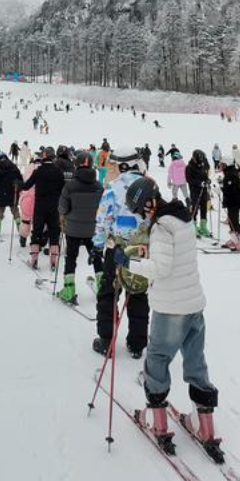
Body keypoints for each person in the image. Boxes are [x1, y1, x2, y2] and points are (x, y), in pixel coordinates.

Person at [118, 177, 221, 457]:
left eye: (141, 209)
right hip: (193, 305)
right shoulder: (181, 217)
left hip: (171, 308)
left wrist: (128, 262)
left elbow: (161, 269)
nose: (142, 215)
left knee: (157, 360)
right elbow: (175, 258)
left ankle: (158, 421)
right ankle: (205, 426)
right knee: (195, 362)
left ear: (149, 202)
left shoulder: (162, 227)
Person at [92, 149, 150, 358]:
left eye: (115, 165)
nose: (113, 169)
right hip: (141, 250)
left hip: (116, 249)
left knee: (108, 294)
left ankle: (106, 340)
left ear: (123, 165)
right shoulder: (149, 187)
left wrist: (97, 245)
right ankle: (137, 343)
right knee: (138, 294)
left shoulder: (113, 188)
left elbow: (103, 220)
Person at [58, 150, 104, 305]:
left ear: (76, 165)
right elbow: (103, 208)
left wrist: (65, 215)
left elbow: (62, 208)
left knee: (71, 258)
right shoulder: (98, 186)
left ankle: (69, 289)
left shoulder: (70, 186)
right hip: (93, 229)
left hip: (73, 228)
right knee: (97, 258)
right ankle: (102, 286)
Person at [23, 148, 66, 270]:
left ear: (45, 156)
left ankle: (34, 260)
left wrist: (17, 184)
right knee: (54, 232)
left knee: (37, 231)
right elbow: (64, 190)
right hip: (54, 207)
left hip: (40, 207)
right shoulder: (58, 172)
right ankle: (53, 261)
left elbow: (26, 186)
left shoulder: (38, 171)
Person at [0, 153, 23, 238]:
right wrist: (19, 187)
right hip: (13, 190)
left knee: (0, 209)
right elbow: (20, 178)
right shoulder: (13, 165)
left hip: (2, 191)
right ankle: (19, 225)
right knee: (15, 209)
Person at [219, 163, 240, 250]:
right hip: (232, 202)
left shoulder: (230, 175)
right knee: (231, 222)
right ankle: (235, 240)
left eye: (222, 165)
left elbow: (232, 190)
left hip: (234, 202)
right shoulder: (230, 173)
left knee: (234, 222)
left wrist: (222, 188)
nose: (220, 167)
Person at [185, 149, 212, 238]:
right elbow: (189, 179)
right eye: (198, 159)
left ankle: (203, 227)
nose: (200, 161)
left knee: (204, 208)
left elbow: (205, 175)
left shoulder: (202, 165)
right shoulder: (189, 167)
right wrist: (200, 183)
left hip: (203, 190)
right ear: (194, 158)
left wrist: (207, 180)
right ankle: (193, 226)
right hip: (195, 191)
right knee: (195, 208)